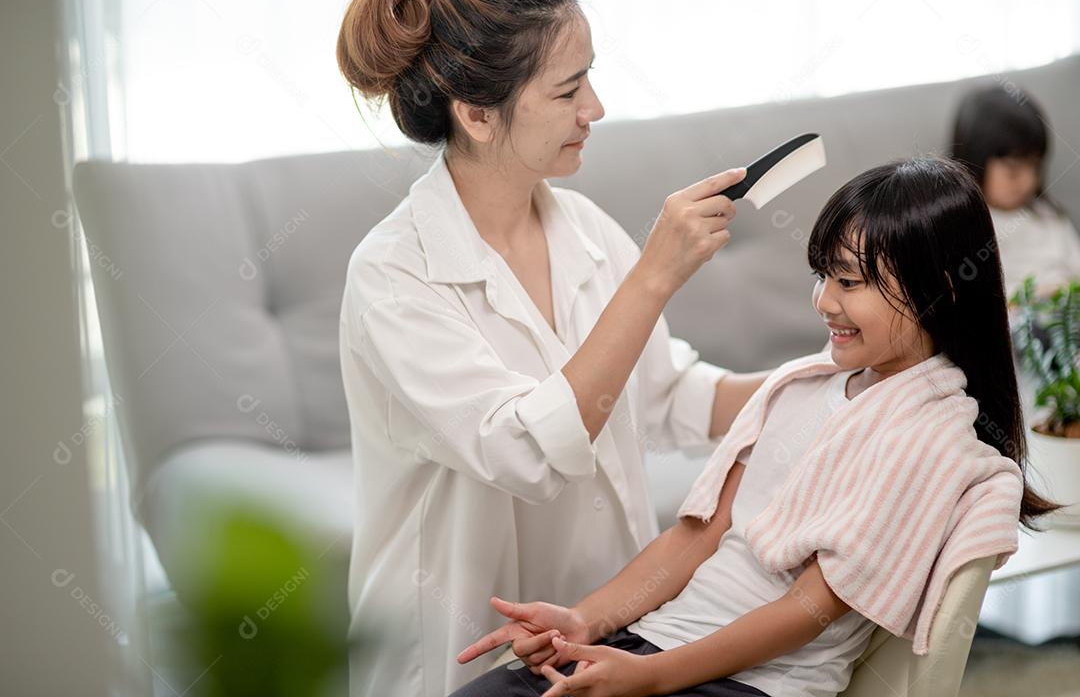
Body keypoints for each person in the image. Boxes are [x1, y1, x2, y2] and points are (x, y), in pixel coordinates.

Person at [454, 157, 1060, 697]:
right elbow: (697, 536)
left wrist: (650, 677)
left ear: (943, 289)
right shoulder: (798, 385)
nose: (824, 301)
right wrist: (586, 622)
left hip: (754, 682)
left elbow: (810, 607)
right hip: (659, 641)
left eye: (851, 281)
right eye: (823, 275)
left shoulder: (932, 438)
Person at [335, 0, 770, 694]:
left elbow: (666, 395)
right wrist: (653, 277)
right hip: (454, 655)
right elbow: (527, 450)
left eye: (591, 78)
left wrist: (827, 376)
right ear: (477, 112)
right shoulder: (394, 275)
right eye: (569, 91)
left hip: (598, 636)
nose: (594, 109)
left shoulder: (585, 227)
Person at [951, 84, 1080, 300]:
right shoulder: (967, 227)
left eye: (1035, 166)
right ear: (975, 160)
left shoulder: (1047, 214)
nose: (1029, 181)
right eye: (1013, 169)